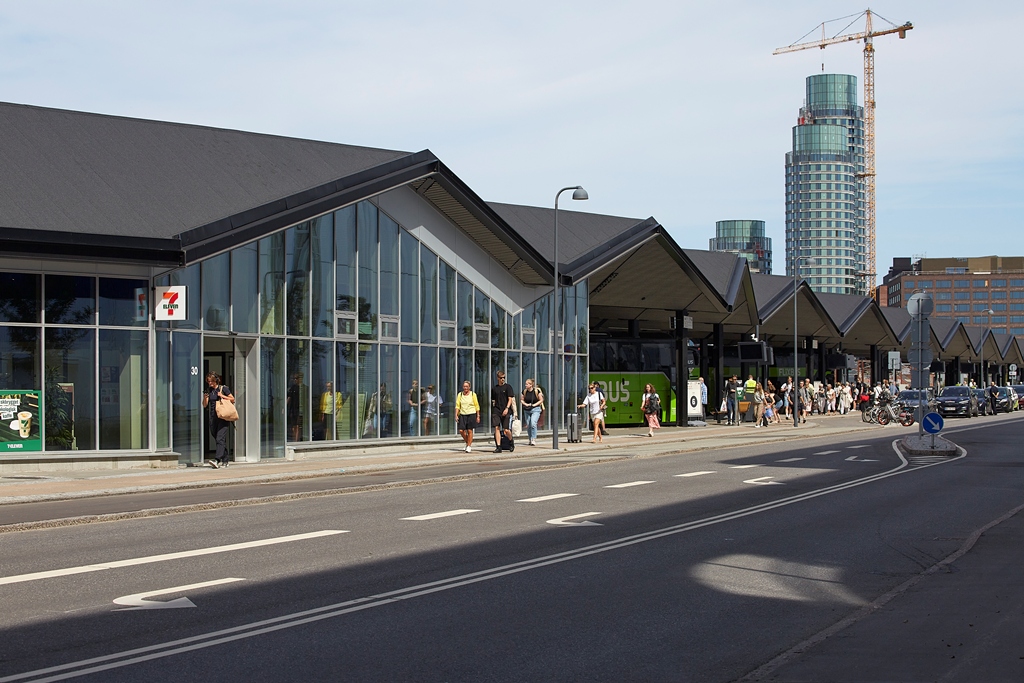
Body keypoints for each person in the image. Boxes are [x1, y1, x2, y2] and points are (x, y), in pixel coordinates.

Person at [202, 372, 235, 469]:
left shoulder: (223, 388)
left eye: (212, 381)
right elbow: (205, 405)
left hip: (223, 417)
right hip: (213, 417)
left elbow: (232, 399)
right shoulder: (209, 390)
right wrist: (205, 398)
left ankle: (217, 460)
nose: (210, 383)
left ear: (216, 380)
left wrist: (222, 396)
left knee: (220, 438)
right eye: (208, 381)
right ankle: (225, 459)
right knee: (217, 438)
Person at [491, 370, 515, 453]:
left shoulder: (508, 387)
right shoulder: (494, 388)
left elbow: (510, 399)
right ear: (498, 378)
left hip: (506, 409)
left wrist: (507, 408)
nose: (503, 379)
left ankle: (511, 442)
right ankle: (498, 446)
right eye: (501, 378)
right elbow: (493, 399)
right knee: (496, 427)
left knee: (506, 430)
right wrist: (494, 408)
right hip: (497, 410)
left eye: (504, 378)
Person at [455, 380, 480, 452]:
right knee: (461, 430)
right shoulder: (460, 394)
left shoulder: (473, 394)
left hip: (471, 413)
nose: (465, 388)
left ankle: (469, 446)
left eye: (467, 386)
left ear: (469, 387)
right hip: (462, 414)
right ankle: (467, 442)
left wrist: (478, 416)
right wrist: (456, 415)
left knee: (469, 430)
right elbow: (457, 405)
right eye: (464, 386)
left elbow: (476, 405)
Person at [521, 378, 544, 446]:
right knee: (528, 425)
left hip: (536, 409)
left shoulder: (536, 391)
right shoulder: (524, 391)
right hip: (527, 409)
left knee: (533, 423)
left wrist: (534, 405)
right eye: (525, 384)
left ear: (531, 385)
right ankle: (530, 438)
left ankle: (533, 439)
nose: (526, 385)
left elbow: (541, 400)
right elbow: (521, 400)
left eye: (527, 384)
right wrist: (526, 404)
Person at [287, 372, 303, 441]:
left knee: (298, 426)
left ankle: (297, 440)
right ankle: (295, 440)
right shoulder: (293, 388)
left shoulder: (304, 388)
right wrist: (285, 407)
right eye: (294, 378)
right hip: (293, 409)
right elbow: (289, 397)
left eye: (296, 378)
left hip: (300, 409)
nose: (295, 380)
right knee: (294, 426)